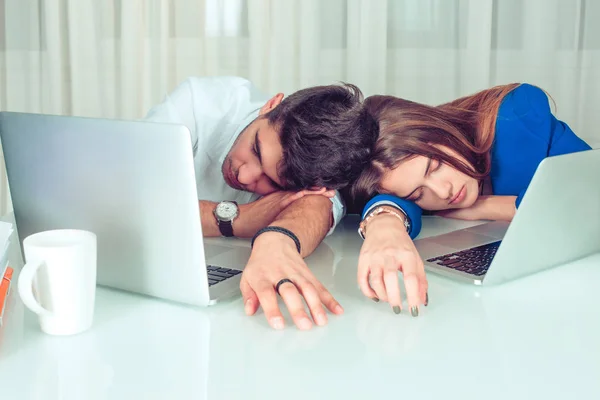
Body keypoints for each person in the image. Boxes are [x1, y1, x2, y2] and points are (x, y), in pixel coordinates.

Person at [144, 76, 378, 330]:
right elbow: (124, 193)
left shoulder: (317, 174)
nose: (244, 175)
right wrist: (234, 219)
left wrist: (276, 242)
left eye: (272, 182)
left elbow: (317, 208)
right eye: (256, 149)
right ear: (271, 105)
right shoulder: (201, 103)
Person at [350, 83, 592, 317]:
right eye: (418, 194)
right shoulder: (402, 180)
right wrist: (384, 223)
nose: (443, 191)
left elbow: (588, 189)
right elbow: (390, 200)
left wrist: (487, 207)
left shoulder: (516, 117)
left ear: (441, 131)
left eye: (435, 166)